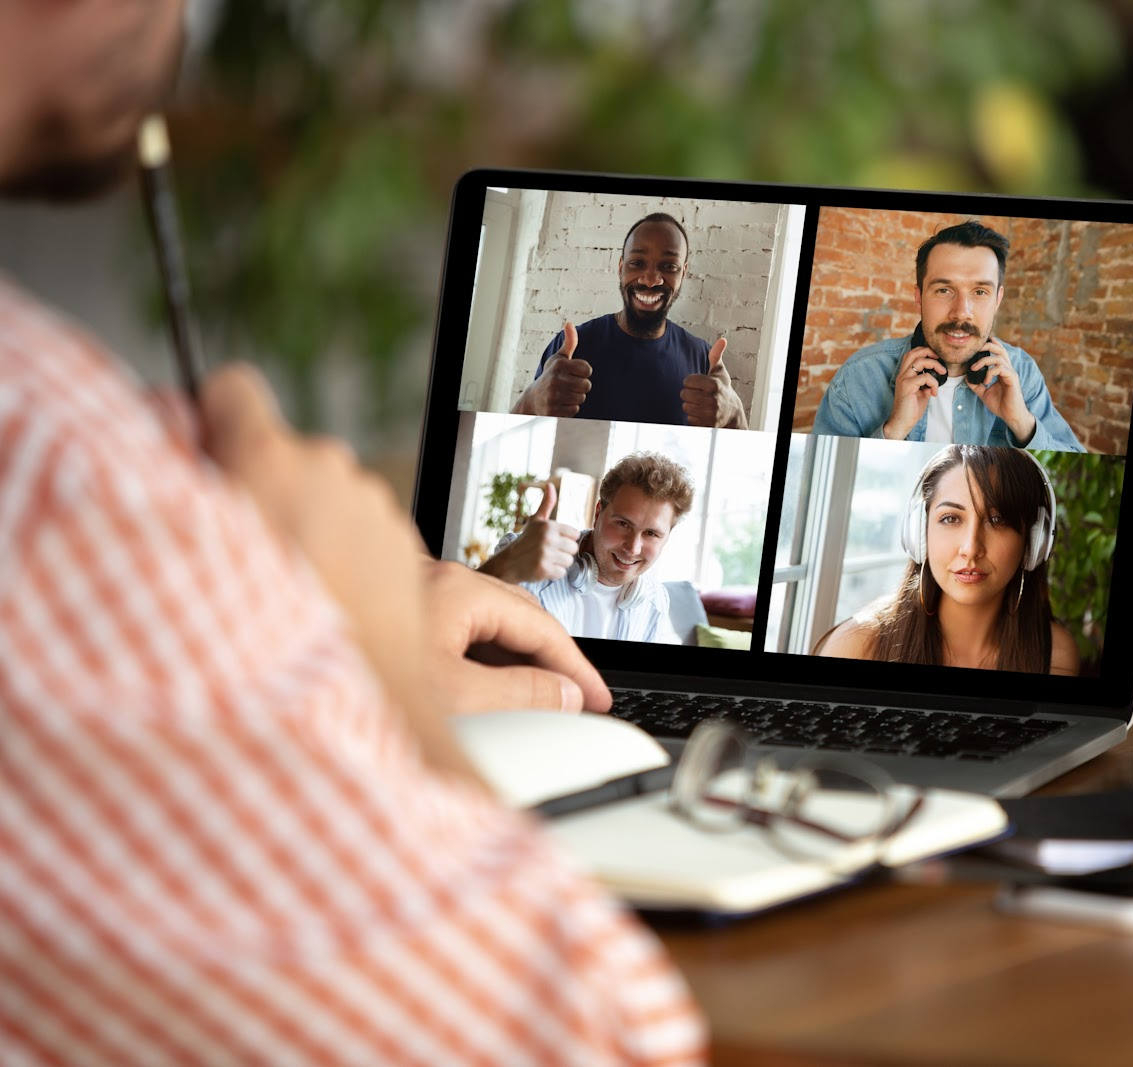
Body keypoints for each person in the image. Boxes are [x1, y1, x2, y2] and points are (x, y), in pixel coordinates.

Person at [0, 3, 704, 1063]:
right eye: (625, 525)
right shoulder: (56, 483)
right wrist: (374, 671)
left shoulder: (699, 396)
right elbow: (597, 1040)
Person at [812, 220, 1085, 451]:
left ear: (998, 299)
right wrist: (892, 432)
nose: (961, 313)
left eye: (980, 292)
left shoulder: (1023, 373)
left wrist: (1023, 423)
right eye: (944, 290)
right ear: (919, 297)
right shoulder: (857, 379)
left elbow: (1071, 468)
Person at [814, 446, 1080, 675]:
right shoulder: (856, 646)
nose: (970, 548)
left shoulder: (1054, 655)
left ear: (1034, 542)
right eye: (950, 518)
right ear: (919, 531)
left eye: (997, 520)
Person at [510, 213, 749, 429]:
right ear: (621, 267)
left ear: (683, 273)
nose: (650, 279)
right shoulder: (570, 348)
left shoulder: (703, 358)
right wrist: (530, 401)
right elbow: (520, 437)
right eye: (637, 263)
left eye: (668, 266)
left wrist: (735, 415)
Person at [480, 453, 695, 643]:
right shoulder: (523, 556)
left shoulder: (656, 600)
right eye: (623, 524)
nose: (633, 548)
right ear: (598, 513)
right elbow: (462, 624)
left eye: (651, 534)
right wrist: (505, 565)